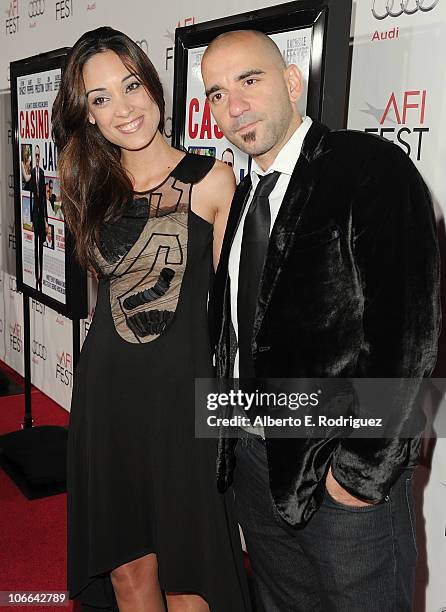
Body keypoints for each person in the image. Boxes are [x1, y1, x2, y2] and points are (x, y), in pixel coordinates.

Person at [201, 30, 441, 612]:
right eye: (216, 93)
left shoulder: (368, 167)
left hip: (338, 469)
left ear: (291, 81)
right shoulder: (242, 196)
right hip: (253, 463)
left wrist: (359, 472)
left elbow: (408, 336)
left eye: (249, 80)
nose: (234, 106)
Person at [52, 27, 251, 612]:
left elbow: (232, 318)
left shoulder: (212, 181)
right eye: (100, 98)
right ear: (87, 116)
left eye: (130, 85)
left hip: (184, 405)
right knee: (127, 573)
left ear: (152, 84)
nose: (123, 108)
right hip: (108, 401)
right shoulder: (91, 188)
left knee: (192, 578)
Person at [29, 144, 48, 291]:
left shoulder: (41, 173)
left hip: (41, 214)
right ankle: (36, 278)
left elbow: (44, 200)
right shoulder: (31, 172)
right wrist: (30, 218)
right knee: (34, 247)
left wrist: (46, 219)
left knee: (41, 246)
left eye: (38, 155)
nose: (36, 158)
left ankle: (41, 279)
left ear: (39, 157)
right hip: (34, 214)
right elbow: (30, 197)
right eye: (34, 155)